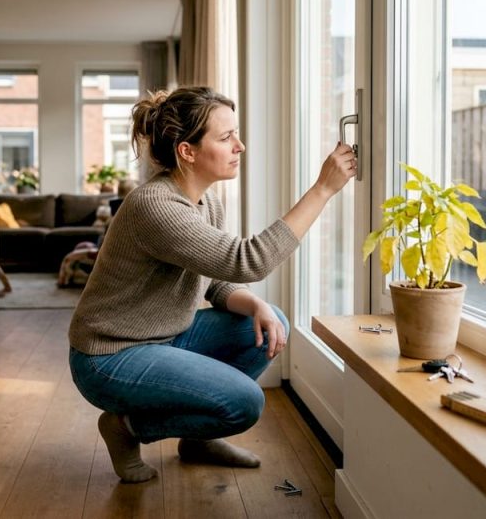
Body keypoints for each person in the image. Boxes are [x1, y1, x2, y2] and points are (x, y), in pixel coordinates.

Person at [68, 86, 356, 483]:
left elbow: (216, 283)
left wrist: (256, 306)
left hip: (166, 336)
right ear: (187, 151)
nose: (240, 145)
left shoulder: (207, 201)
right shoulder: (155, 206)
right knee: (244, 403)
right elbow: (248, 260)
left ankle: (197, 438)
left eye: (235, 134)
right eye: (225, 138)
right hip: (110, 357)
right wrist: (323, 189)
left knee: (272, 322)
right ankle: (126, 428)